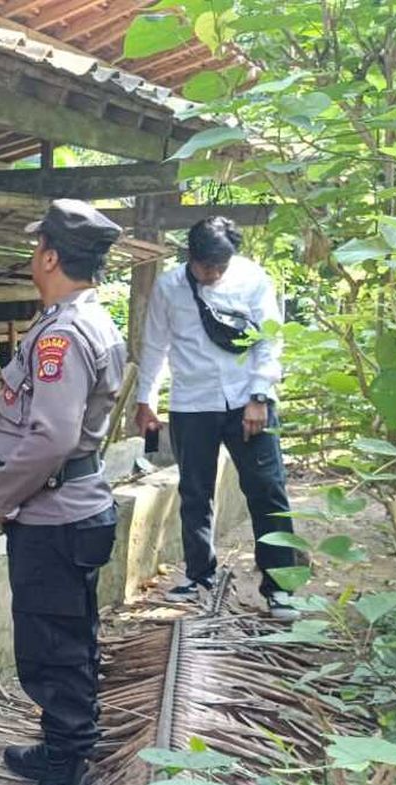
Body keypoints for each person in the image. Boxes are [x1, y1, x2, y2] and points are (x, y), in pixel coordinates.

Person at [0, 199, 125, 785]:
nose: (32, 255)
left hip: (53, 514)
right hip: (75, 508)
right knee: (67, 635)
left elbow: (53, 437)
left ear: (51, 257)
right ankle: (61, 744)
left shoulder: (61, 334)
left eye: (37, 246)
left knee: (52, 645)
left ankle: (68, 769)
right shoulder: (90, 320)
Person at [134, 216, 299, 619]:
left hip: (247, 400)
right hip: (193, 402)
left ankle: (280, 586)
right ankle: (200, 576)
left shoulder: (252, 278)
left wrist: (259, 396)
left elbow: (270, 340)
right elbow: (155, 345)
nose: (213, 274)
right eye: (206, 266)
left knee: (268, 489)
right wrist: (145, 400)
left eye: (220, 266)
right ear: (190, 256)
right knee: (195, 492)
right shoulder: (169, 287)